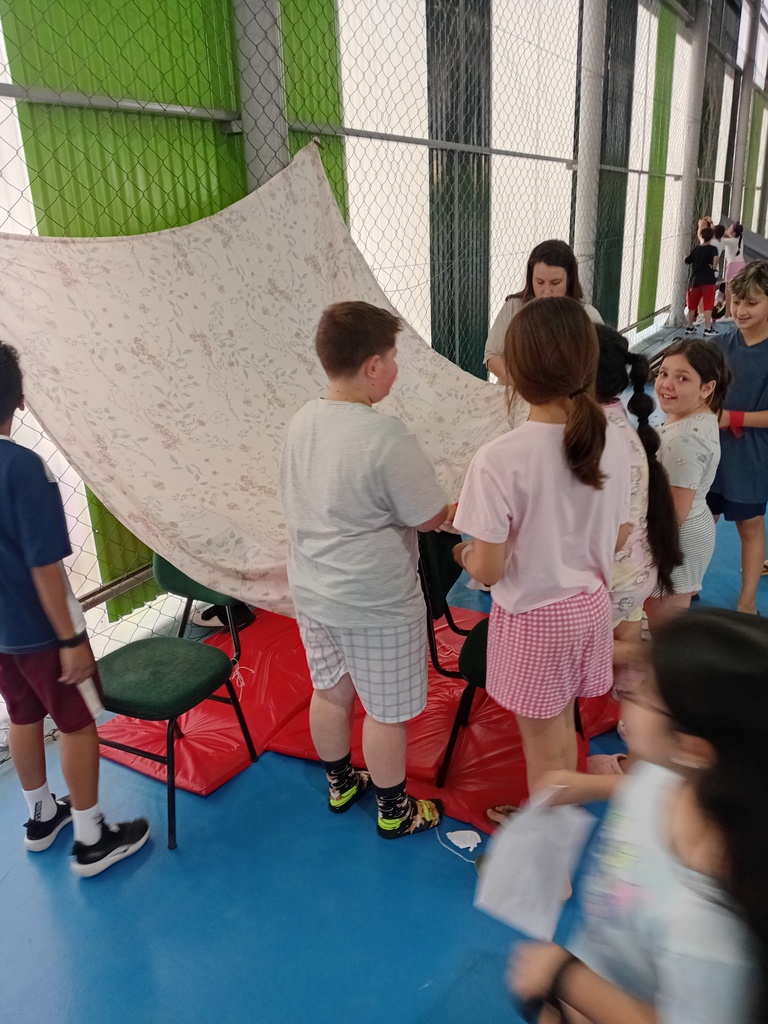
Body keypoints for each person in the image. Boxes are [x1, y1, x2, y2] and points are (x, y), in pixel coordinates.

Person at [508, 608, 761, 1024]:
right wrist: (587, 786)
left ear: (693, 747)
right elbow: (650, 787)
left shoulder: (703, 930)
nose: (625, 694)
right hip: (600, 970)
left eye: (645, 693)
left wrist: (566, 977)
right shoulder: (677, 777)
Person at [278, 301, 451, 839]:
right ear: (373, 366)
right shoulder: (384, 437)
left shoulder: (301, 421)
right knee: (385, 712)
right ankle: (394, 811)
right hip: (375, 603)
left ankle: (340, 783)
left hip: (313, 591)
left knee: (330, 692)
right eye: (394, 358)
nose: (396, 369)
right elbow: (430, 517)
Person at [452, 297, 630, 818]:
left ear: (514, 372)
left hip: (536, 621)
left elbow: (488, 570)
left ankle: (548, 847)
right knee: (560, 734)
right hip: (589, 609)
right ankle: (557, 820)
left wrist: (463, 551)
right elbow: (619, 536)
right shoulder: (612, 440)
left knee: (544, 753)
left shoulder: (499, 459)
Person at [0, 342, 149, 876]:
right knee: (78, 723)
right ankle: (91, 839)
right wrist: (70, 640)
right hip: (43, 632)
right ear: (20, 400)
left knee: (22, 715)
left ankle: (41, 817)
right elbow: (44, 568)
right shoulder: (22, 468)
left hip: (3, 635)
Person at [594, 326, 680, 688]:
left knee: (567, 640)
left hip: (616, 576)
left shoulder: (594, 433)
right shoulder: (618, 418)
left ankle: (655, 660)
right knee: (627, 628)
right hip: (638, 567)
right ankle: (630, 698)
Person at [644, 340, 730, 632]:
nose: (667, 385)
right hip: (686, 531)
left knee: (663, 636)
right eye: (664, 373)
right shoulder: (699, 417)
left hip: (676, 539)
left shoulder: (684, 440)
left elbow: (675, 513)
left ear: (707, 388)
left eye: (683, 378)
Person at [706, 262, 768, 613]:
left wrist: (733, 418)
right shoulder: (718, 346)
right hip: (710, 449)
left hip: (752, 453)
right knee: (699, 519)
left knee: (750, 524)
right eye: (736, 301)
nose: (741, 310)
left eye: (751, 303)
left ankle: (747, 600)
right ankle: (687, 583)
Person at [484, 240, 603, 383]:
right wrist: (523, 384)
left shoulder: (588, 316)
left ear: (569, 279)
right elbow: (492, 356)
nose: (546, 292)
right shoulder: (514, 307)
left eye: (555, 283)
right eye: (539, 282)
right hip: (515, 391)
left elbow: (599, 365)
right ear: (531, 278)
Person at [684, 226, 718, 335]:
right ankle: (707, 328)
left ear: (702, 237)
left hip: (696, 279)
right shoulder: (713, 249)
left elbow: (687, 261)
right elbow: (716, 258)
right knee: (708, 304)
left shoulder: (696, 249)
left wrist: (685, 254)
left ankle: (689, 326)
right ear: (711, 237)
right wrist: (714, 267)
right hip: (708, 279)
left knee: (692, 304)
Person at [722, 221, 745, 316]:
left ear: (734, 233)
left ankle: (727, 315)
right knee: (738, 292)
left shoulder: (730, 242)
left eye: (730, 228)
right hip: (742, 266)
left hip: (732, 267)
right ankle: (738, 313)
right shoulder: (739, 239)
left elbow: (719, 237)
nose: (728, 229)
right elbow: (726, 234)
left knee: (729, 293)